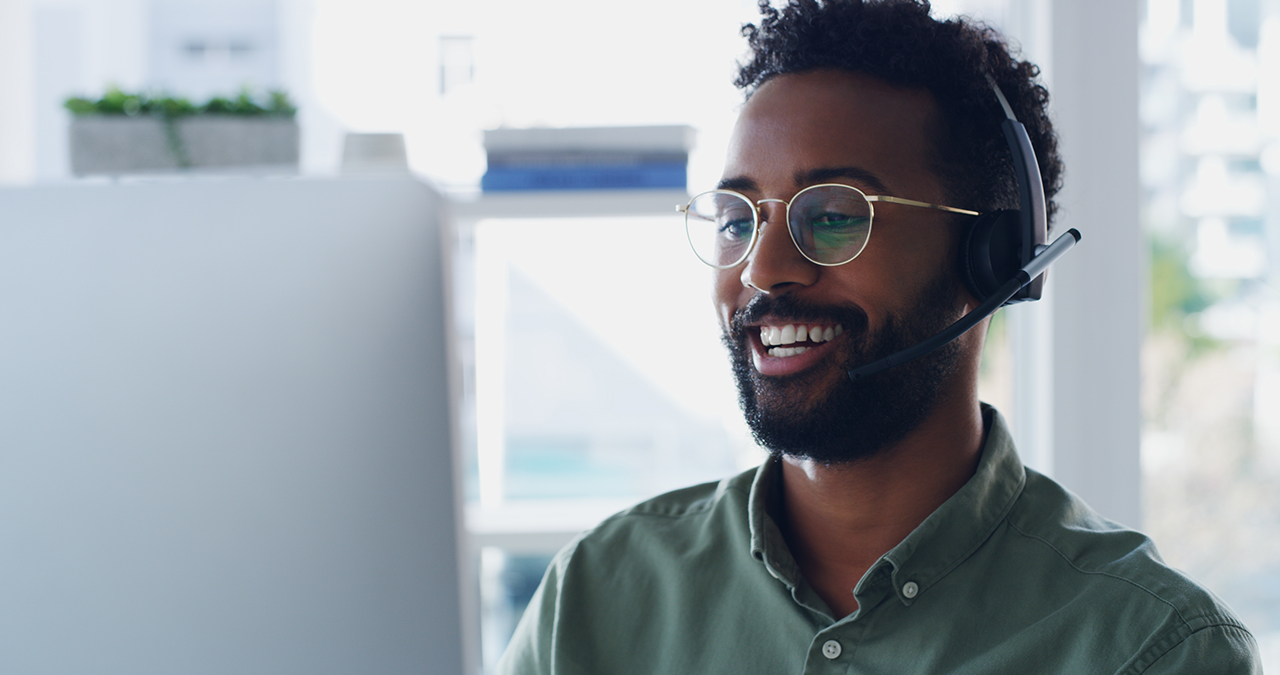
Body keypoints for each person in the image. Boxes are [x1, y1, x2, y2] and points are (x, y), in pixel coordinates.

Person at [496, 1, 1262, 672]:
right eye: (737, 220)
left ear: (990, 259)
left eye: (832, 215)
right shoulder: (597, 599)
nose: (763, 269)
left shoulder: (1151, 647)